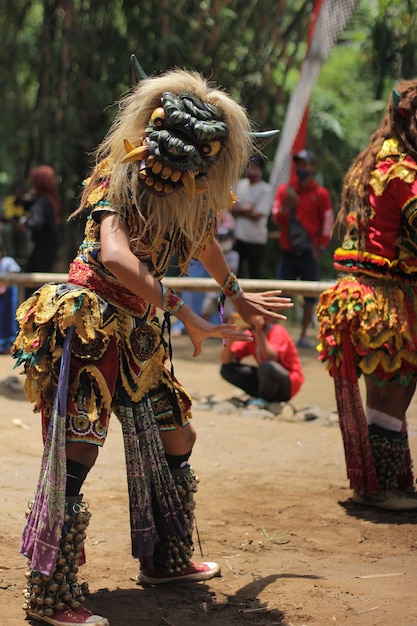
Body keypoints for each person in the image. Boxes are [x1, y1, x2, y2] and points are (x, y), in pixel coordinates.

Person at [13, 68, 292, 626]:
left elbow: (204, 240)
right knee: (79, 451)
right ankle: (50, 595)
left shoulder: (189, 191)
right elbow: (115, 258)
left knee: (179, 433)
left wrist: (234, 296)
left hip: (140, 334)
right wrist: (184, 310)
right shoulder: (119, 175)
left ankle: (166, 559)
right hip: (93, 324)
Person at [316, 80, 417, 512]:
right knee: (394, 391)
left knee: (386, 396)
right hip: (386, 300)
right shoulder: (403, 171)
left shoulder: (374, 160)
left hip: (366, 294)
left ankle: (375, 484)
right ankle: (380, 488)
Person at [272, 149, 333, 348]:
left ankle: (305, 335)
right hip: (287, 251)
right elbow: (277, 220)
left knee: (309, 297)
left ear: (312, 168)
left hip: (310, 252)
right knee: (281, 294)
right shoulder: (285, 191)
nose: (301, 168)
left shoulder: (321, 194)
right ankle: (277, 335)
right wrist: (286, 206)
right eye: (298, 165)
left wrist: (321, 247)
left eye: (305, 165)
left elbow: (327, 222)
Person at [220, 315, 303, 408]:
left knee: (267, 367)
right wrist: (230, 338)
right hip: (266, 379)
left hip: (287, 383)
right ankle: (261, 397)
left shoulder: (277, 330)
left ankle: (265, 400)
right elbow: (226, 360)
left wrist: (258, 330)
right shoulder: (250, 335)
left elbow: (271, 358)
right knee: (226, 369)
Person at [231, 153, 273, 278]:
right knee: (236, 273)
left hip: (256, 239)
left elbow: (259, 214)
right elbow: (231, 206)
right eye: (249, 166)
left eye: (254, 167)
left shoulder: (266, 189)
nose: (251, 170)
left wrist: (241, 210)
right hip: (239, 236)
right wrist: (247, 209)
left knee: (254, 273)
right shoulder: (240, 185)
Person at [22, 165, 61, 296]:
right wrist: (29, 197)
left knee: (32, 285)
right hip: (51, 246)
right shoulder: (52, 199)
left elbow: (36, 223)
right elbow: (28, 206)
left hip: (43, 248)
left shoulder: (41, 201)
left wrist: (24, 222)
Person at [0, 239, 21, 354]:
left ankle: (9, 344)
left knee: (8, 319)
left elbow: (15, 274)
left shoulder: (6, 262)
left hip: (7, 298)